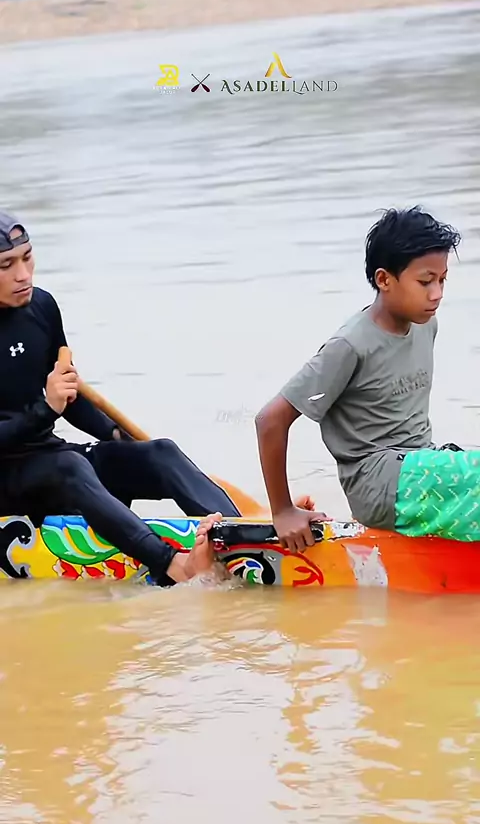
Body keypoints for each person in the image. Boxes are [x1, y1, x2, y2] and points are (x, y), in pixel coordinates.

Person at [0, 209, 244, 586]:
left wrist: (115, 436)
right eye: (7, 265)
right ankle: (171, 564)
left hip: (49, 460)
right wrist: (45, 410)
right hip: (9, 480)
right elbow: (51, 405)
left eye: (28, 258)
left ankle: (243, 537)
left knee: (159, 453)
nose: (24, 275)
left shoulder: (42, 307)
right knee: (69, 466)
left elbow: (70, 396)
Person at [255, 205, 469, 555]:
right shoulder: (351, 345)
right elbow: (270, 420)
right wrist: (282, 511)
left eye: (442, 280)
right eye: (425, 281)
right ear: (384, 280)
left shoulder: (426, 325)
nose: (437, 294)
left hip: (421, 466)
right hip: (376, 484)